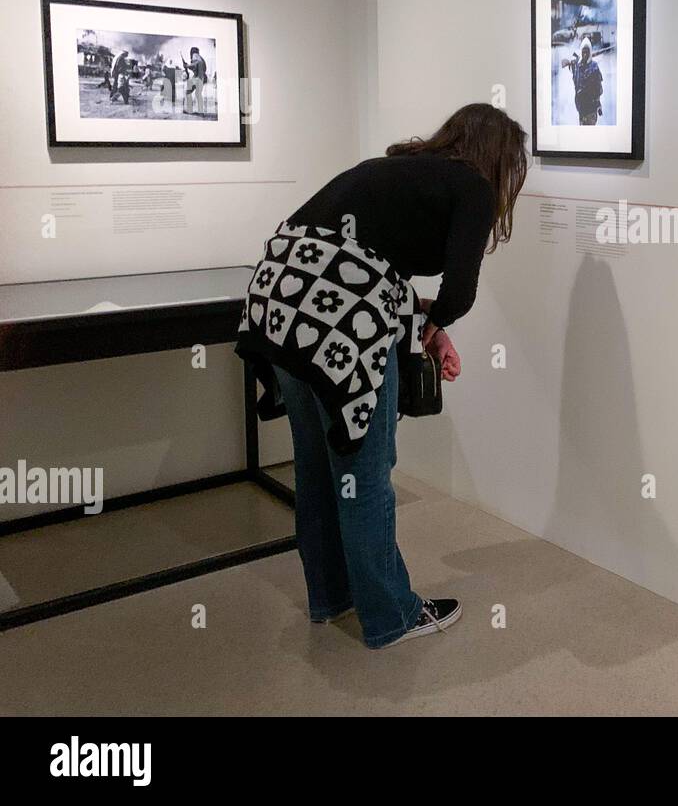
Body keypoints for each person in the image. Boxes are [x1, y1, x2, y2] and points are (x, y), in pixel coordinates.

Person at [235, 103, 528, 649]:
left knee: (319, 465)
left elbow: (363, 265)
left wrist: (428, 328)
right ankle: (391, 614)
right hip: (336, 319)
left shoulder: (393, 168)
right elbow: (458, 290)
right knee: (365, 468)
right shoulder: (473, 186)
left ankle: (330, 596)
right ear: (500, 161)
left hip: (276, 300)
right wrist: (438, 323)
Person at [562, 38, 603, 125]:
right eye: (583, 52)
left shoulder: (594, 67)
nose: (585, 54)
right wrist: (568, 63)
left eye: (587, 52)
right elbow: (567, 62)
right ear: (581, 52)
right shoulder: (577, 66)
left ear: (590, 52)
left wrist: (598, 105)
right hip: (581, 109)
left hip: (591, 110)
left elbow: (599, 89)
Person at [184, 46, 208, 114]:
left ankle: (189, 109)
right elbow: (197, 67)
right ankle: (200, 111)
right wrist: (188, 66)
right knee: (198, 94)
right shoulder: (201, 58)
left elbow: (196, 64)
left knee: (188, 92)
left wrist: (187, 66)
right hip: (202, 77)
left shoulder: (195, 55)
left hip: (197, 77)